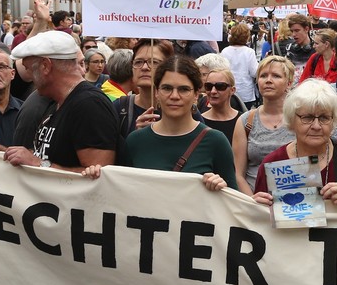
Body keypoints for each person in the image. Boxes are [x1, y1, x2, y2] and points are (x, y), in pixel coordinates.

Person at [86, 56, 235, 190]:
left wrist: (222, 187)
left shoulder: (216, 142)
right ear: (157, 92)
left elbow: (235, 203)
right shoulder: (135, 141)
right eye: (167, 88)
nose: (174, 96)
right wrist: (95, 177)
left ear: (196, 94)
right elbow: (120, 191)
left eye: (183, 89)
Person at [2, 31, 119, 173]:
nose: (29, 78)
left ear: (45, 66)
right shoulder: (56, 101)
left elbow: (101, 177)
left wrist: (38, 164)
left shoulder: (89, 105)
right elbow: (44, 154)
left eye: (30, 70)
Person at [252, 79, 337, 209]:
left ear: (334, 121)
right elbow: (260, 223)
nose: (316, 126)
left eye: (324, 117)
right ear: (292, 120)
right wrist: (256, 207)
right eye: (307, 118)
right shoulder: (273, 163)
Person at [233, 55, 296, 194]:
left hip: (293, 202)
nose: (268, 80)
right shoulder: (245, 121)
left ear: (289, 83)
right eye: (263, 76)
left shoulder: (299, 119)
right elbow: (238, 175)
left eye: (276, 76)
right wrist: (252, 203)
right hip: (253, 201)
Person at [112, 40, 175, 138]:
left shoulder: (183, 108)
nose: (145, 67)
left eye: (154, 62)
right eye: (138, 62)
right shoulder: (119, 108)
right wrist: (136, 137)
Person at [197, 57, 243, 142]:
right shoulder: (198, 121)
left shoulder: (243, 121)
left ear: (232, 90)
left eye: (220, 86)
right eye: (209, 86)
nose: (213, 91)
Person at [221, 22, 258, 107]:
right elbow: (254, 72)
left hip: (228, 90)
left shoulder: (225, 51)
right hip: (245, 91)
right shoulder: (249, 52)